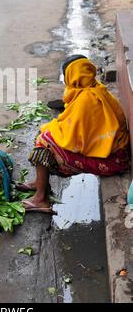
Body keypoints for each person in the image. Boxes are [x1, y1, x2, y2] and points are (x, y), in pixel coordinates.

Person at [16, 55, 130, 214]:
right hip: (117, 153)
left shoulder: (86, 100)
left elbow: (73, 141)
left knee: (43, 144)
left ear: (72, 76)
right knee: (46, 135)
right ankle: (39, 183)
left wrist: (50, 135)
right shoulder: (96, 88)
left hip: (114, 161)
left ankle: (41, 199)